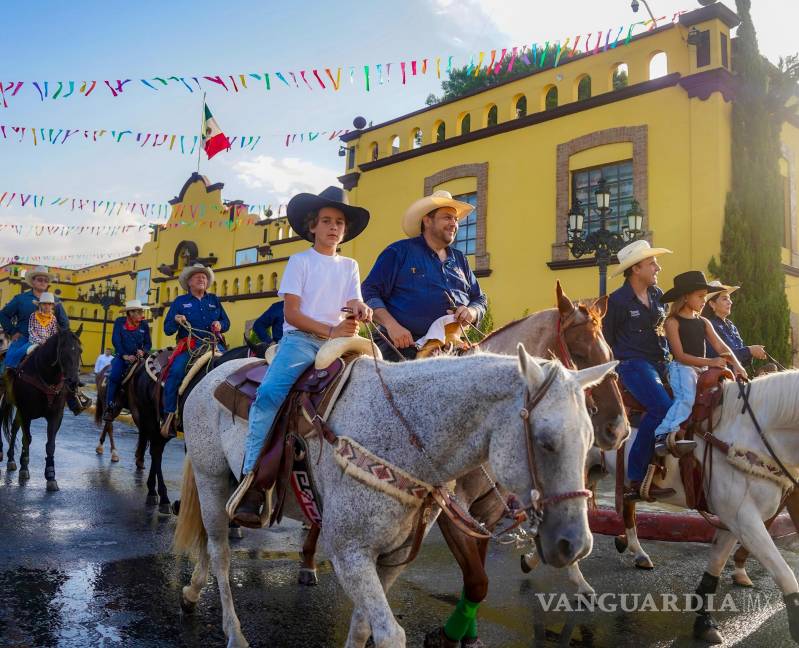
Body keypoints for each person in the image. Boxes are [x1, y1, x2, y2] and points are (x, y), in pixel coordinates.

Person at [233, 186, 372, 526]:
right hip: (301, 341)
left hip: (340, 340)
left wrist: (360, 307)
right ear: (312, 227)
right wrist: (331, 331)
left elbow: (352, 300)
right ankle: (250, 478)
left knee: (374, 384)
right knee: (268, 396)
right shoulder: (300, 261)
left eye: (339, 222)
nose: (333, 227)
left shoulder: (350, 265)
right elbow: (292, 314)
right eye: (326, 221)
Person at [361, 190, 487, 361]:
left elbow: (479, 299)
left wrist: (471, 311)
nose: (454, 224)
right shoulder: (398, 252)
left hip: (452, 348)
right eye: (447, 218)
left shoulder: (460, 259)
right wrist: (392, 326)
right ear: (427, 221)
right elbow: (369, 291)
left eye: (456, 219)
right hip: (402, 347)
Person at [603, 240, 678, 498]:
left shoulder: (658, 296)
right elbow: (607, 339)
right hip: (632, 364)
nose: (658, 267)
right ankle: (635, 476)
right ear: (636, 269)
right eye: (652, 263)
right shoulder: (617, 301)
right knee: (662, 407)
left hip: (662, 361)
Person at [653, 271, 748, 457]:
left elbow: (721, 346)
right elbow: (680, 356)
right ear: (685, 297)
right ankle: (662, 435)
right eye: (700, 296)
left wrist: (738, 366)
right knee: (686, 399)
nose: (704, 300)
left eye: (705, 296)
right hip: (682, 369)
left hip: (702, 369)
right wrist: (711, 361)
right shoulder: (672, 322)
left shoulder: (703, 322)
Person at [0, 266, 89, 414]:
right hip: (24, 339)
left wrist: (62, 340)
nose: (42, 282)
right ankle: (5, 392)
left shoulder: (55, 301)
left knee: (68, 365)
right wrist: (13, 332)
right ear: (32, 281)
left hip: (50, 342)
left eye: (45, 280)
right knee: (8, 362)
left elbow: (64, 324)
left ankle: (74, 398)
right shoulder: (21, 299)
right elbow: (3, 314)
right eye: (39, 279)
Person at [161, 263, 230, 438]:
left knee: (232, 370)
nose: (202, 279)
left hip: (214, 344)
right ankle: (169, 416)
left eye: (205, 277)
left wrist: (220, 324)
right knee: (175, 372)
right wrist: (176, 320)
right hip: (190, 347)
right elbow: (167, 329)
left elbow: (226, 323)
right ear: (189, 282)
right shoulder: (180, 302)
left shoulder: (214, 300)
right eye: (198, 276)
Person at [701, 281, 767, 374]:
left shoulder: (731, 325)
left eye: (729, 299)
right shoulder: (709, 325)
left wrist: (752, 353)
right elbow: (717, 356)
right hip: (719, 380)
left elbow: (739, 358)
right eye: (725, 299)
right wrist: (749, 350)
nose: (730, 302)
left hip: (735, 379)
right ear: (712, 304)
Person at [104, 300, 152, 421]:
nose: (141, 313)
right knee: (114, 376)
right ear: (130, 313)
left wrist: (143, 351)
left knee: (151, 375)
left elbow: (148, 343)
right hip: (122, 356)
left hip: (140, 358)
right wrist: (124, 355)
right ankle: (109, 406)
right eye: (138, 311)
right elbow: (116, 340)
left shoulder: (144, 324)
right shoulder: (119, 322)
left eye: (141, 311)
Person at [5, 292, 59, 366]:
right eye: (44, 304)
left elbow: (53, 332)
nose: (47, 306)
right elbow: (31, 330)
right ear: (40, 305)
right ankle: (12, 367)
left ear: (52, 306)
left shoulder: (53, 319)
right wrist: (40, 341)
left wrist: (48, 341)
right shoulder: (34, 316)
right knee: (22, 351)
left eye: (49, 304)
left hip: (47, 342)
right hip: (34, 341)